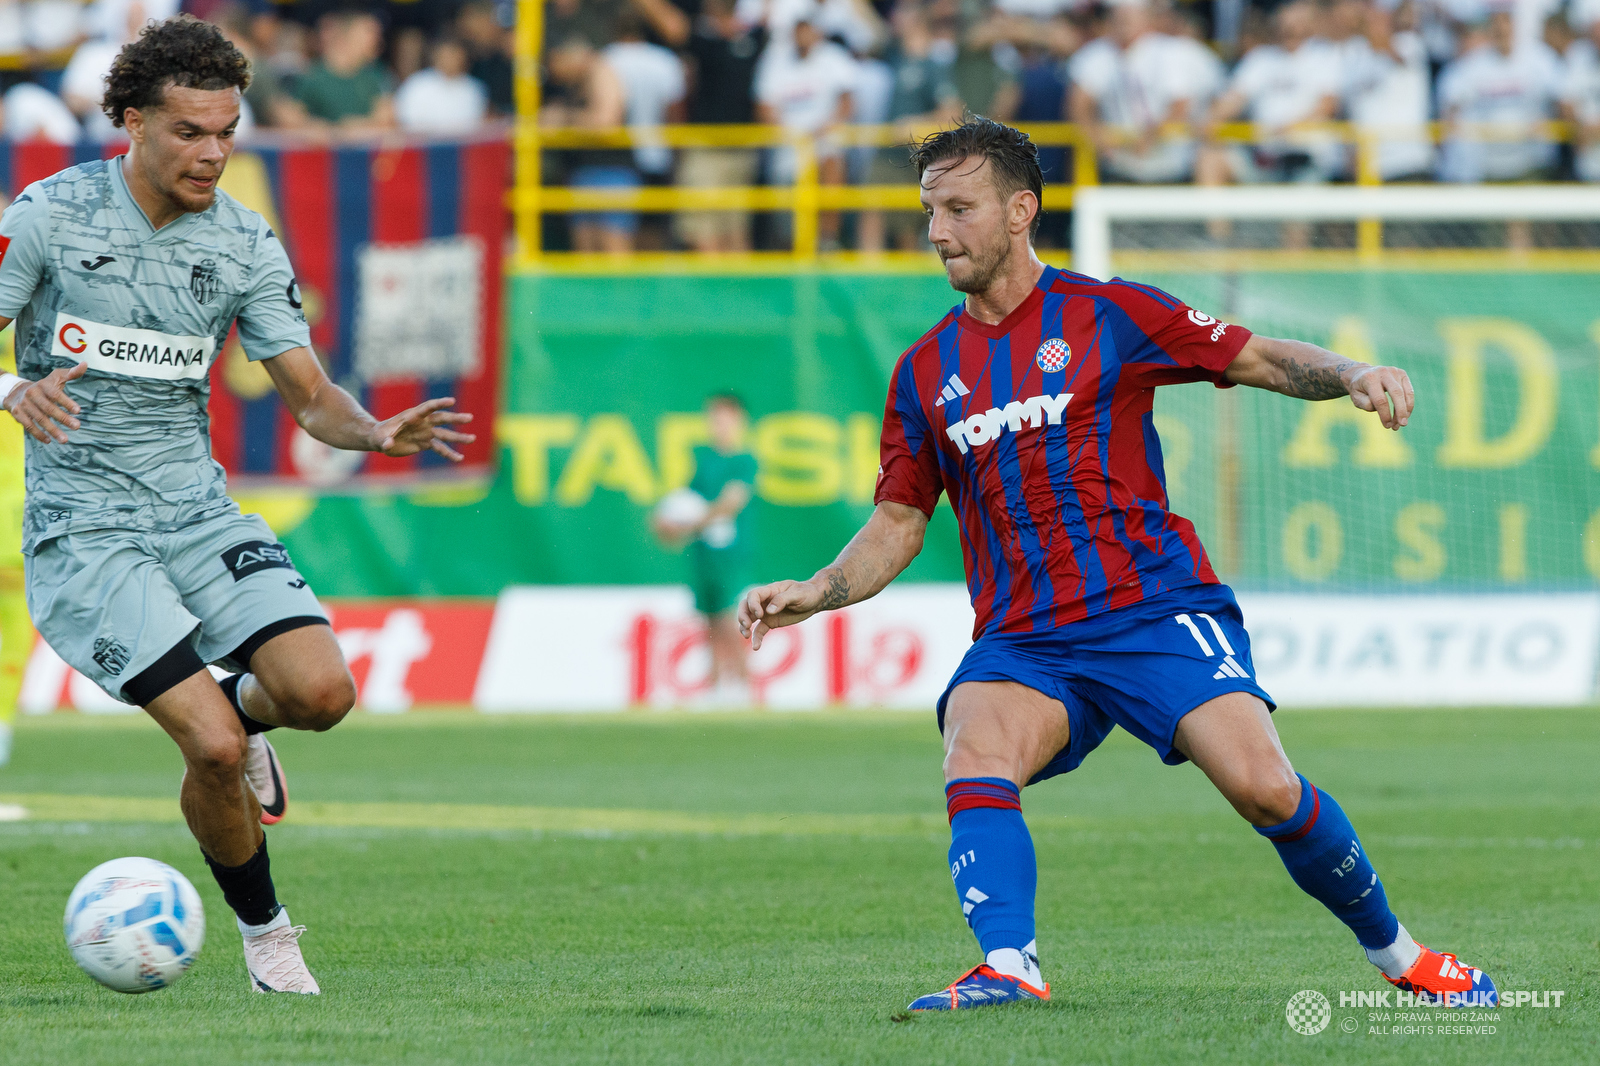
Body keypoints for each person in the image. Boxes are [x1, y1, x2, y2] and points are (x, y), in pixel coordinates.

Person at [736, 117, 1497, 1013]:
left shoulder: (1109, 314)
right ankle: (1009, 964)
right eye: (930, 210)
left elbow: (1257, 356)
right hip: (1027, 635)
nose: (937, 230)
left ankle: (1403, 957)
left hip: (1151, 607)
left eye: (958, 208)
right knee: (974, 747)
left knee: (1265, 788)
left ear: (1020, 210)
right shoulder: (924, 370)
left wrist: (1351, 369)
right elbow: (900, 520)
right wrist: (816, 594)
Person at [0, 16, 473, 992]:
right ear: (130, 122)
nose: (214, 152)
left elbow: (309, 394)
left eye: (228, 130)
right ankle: (268, 939)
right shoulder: (47, 215)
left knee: (320, 693)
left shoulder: (246, 241)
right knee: (209, 744)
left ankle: (249, 723)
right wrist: (10, 387)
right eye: (189, 132)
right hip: (85, 527)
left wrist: (373, 431)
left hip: (195, 511)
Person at [656, 394, 758, 705]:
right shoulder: (703, 460)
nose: (719, 425)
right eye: (714, 418)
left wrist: (685, 527)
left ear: (739, 421)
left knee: (730, 621)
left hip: (729, 556)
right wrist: (664, 521)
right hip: (704, 556)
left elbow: (729, 504)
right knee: (710, 622)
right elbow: (685, 501)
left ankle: (744, 690)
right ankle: (714, 691)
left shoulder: (744, 461)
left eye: (725, 418)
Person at [1437, 4, 1562, 182]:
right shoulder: (1472, 66)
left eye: (1506, 20)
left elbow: (1563, 103)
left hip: (1531, 164)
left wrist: (1550, 123)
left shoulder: (1541, 60)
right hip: (1487, 168)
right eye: (1495, 22)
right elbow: (1450, 112)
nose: (1501, 28)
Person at [292, 8, 395, 132]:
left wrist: (352, 128)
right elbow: (293, 120)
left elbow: (386, 120)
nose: (377, 40)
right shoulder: (312, 77)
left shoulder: (376, 76)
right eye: (369, 32)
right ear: (348, 35)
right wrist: (333, 130)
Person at [394, 35, 489, 134]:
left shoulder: (475, 88)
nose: (450, 60)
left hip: (464, 146)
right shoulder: (416, 85)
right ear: (436, 56)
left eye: (454, 54)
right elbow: (404, 124)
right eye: (446, 55)